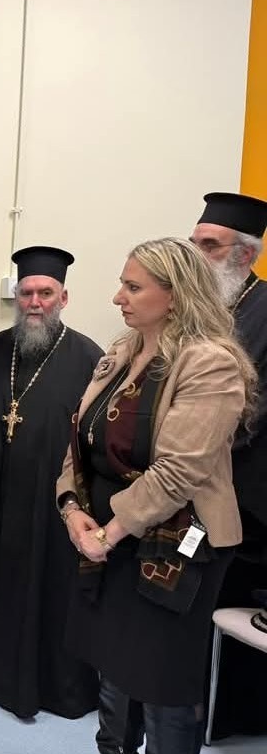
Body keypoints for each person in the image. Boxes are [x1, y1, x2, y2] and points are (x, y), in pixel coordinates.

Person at [56, 237, 256, 754]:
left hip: (176, 544)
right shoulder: (122, 352)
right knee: (114, 669)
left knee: (161, 683)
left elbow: (178, 472)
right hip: (111, 535)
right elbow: (81, 439)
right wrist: (72, 509)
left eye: (133, 287)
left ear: (175, 295)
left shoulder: (210, 364)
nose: (117, 298)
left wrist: (108, 533)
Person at [0, 246, 102, 720]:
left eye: (46, 293)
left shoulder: (90, 359)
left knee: (47, 591)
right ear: (16, 297)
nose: (35, 302)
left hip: (52, 505)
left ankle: (46, 686)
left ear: (64, 298)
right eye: (26, 293)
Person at [189, 191, 267, 740]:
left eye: (208, 246)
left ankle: (222, 718)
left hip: (246, 492)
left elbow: (253, 410)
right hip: (191, 479)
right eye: (194, 242)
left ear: (244, 254)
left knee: (226, 599)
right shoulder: (198, 307)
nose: (196, 255)